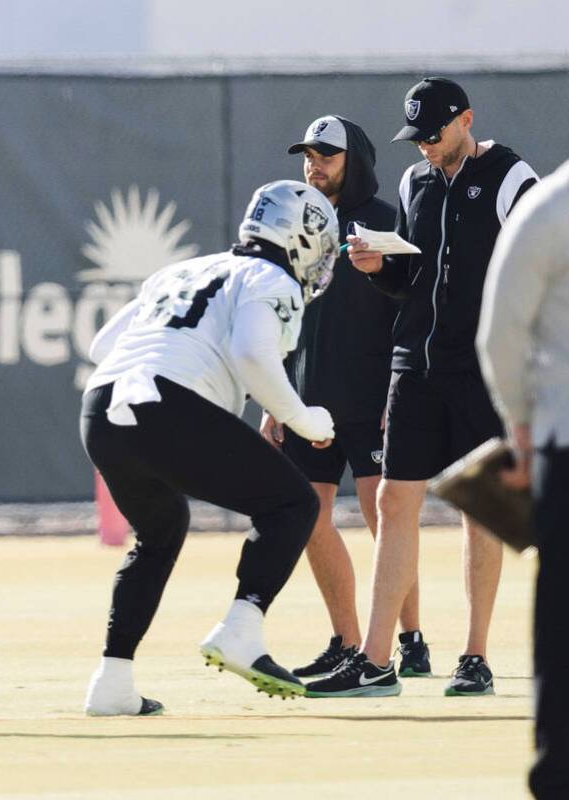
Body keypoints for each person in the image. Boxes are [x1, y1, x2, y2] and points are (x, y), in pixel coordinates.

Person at [307, 77, 538, 698]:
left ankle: (475, 656)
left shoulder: (513, 178)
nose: (425, 149)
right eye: (417, 139)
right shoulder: (416, 181)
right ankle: (377, 660)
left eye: (434, 135)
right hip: (413, 364)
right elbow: (412, 277)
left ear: (466, 120)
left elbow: (545, 267)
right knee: (393, 503)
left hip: (481, 369)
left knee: (477, 508)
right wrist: (383, 268)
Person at [79, 180, 339, 714]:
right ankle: (243, 627)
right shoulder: (272, 279)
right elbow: (251, 352)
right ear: (301, 239)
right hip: (163, 405)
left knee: (159, 532)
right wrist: (301, 416)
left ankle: (112, 682)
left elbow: (102, 345)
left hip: (101, 408)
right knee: (294, 503)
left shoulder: (182, 270)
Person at [260, 116, 416, 680]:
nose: (314, 163)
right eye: (308, 153)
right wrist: (274, 399)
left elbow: (408, 310)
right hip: (308, 400)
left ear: (356, 161)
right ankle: (347, 641)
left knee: (386, 520)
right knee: (307, 516)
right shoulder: (294, 222)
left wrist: (398, 390)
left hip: (372, 399)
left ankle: (411, 639)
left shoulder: (384, 223)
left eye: (327, 153)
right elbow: (282, 313)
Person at [476, 159, 569, 798]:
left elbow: (501, 331)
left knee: (563, 622)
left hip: (566, 440)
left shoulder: (552, 204)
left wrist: (521, 428)